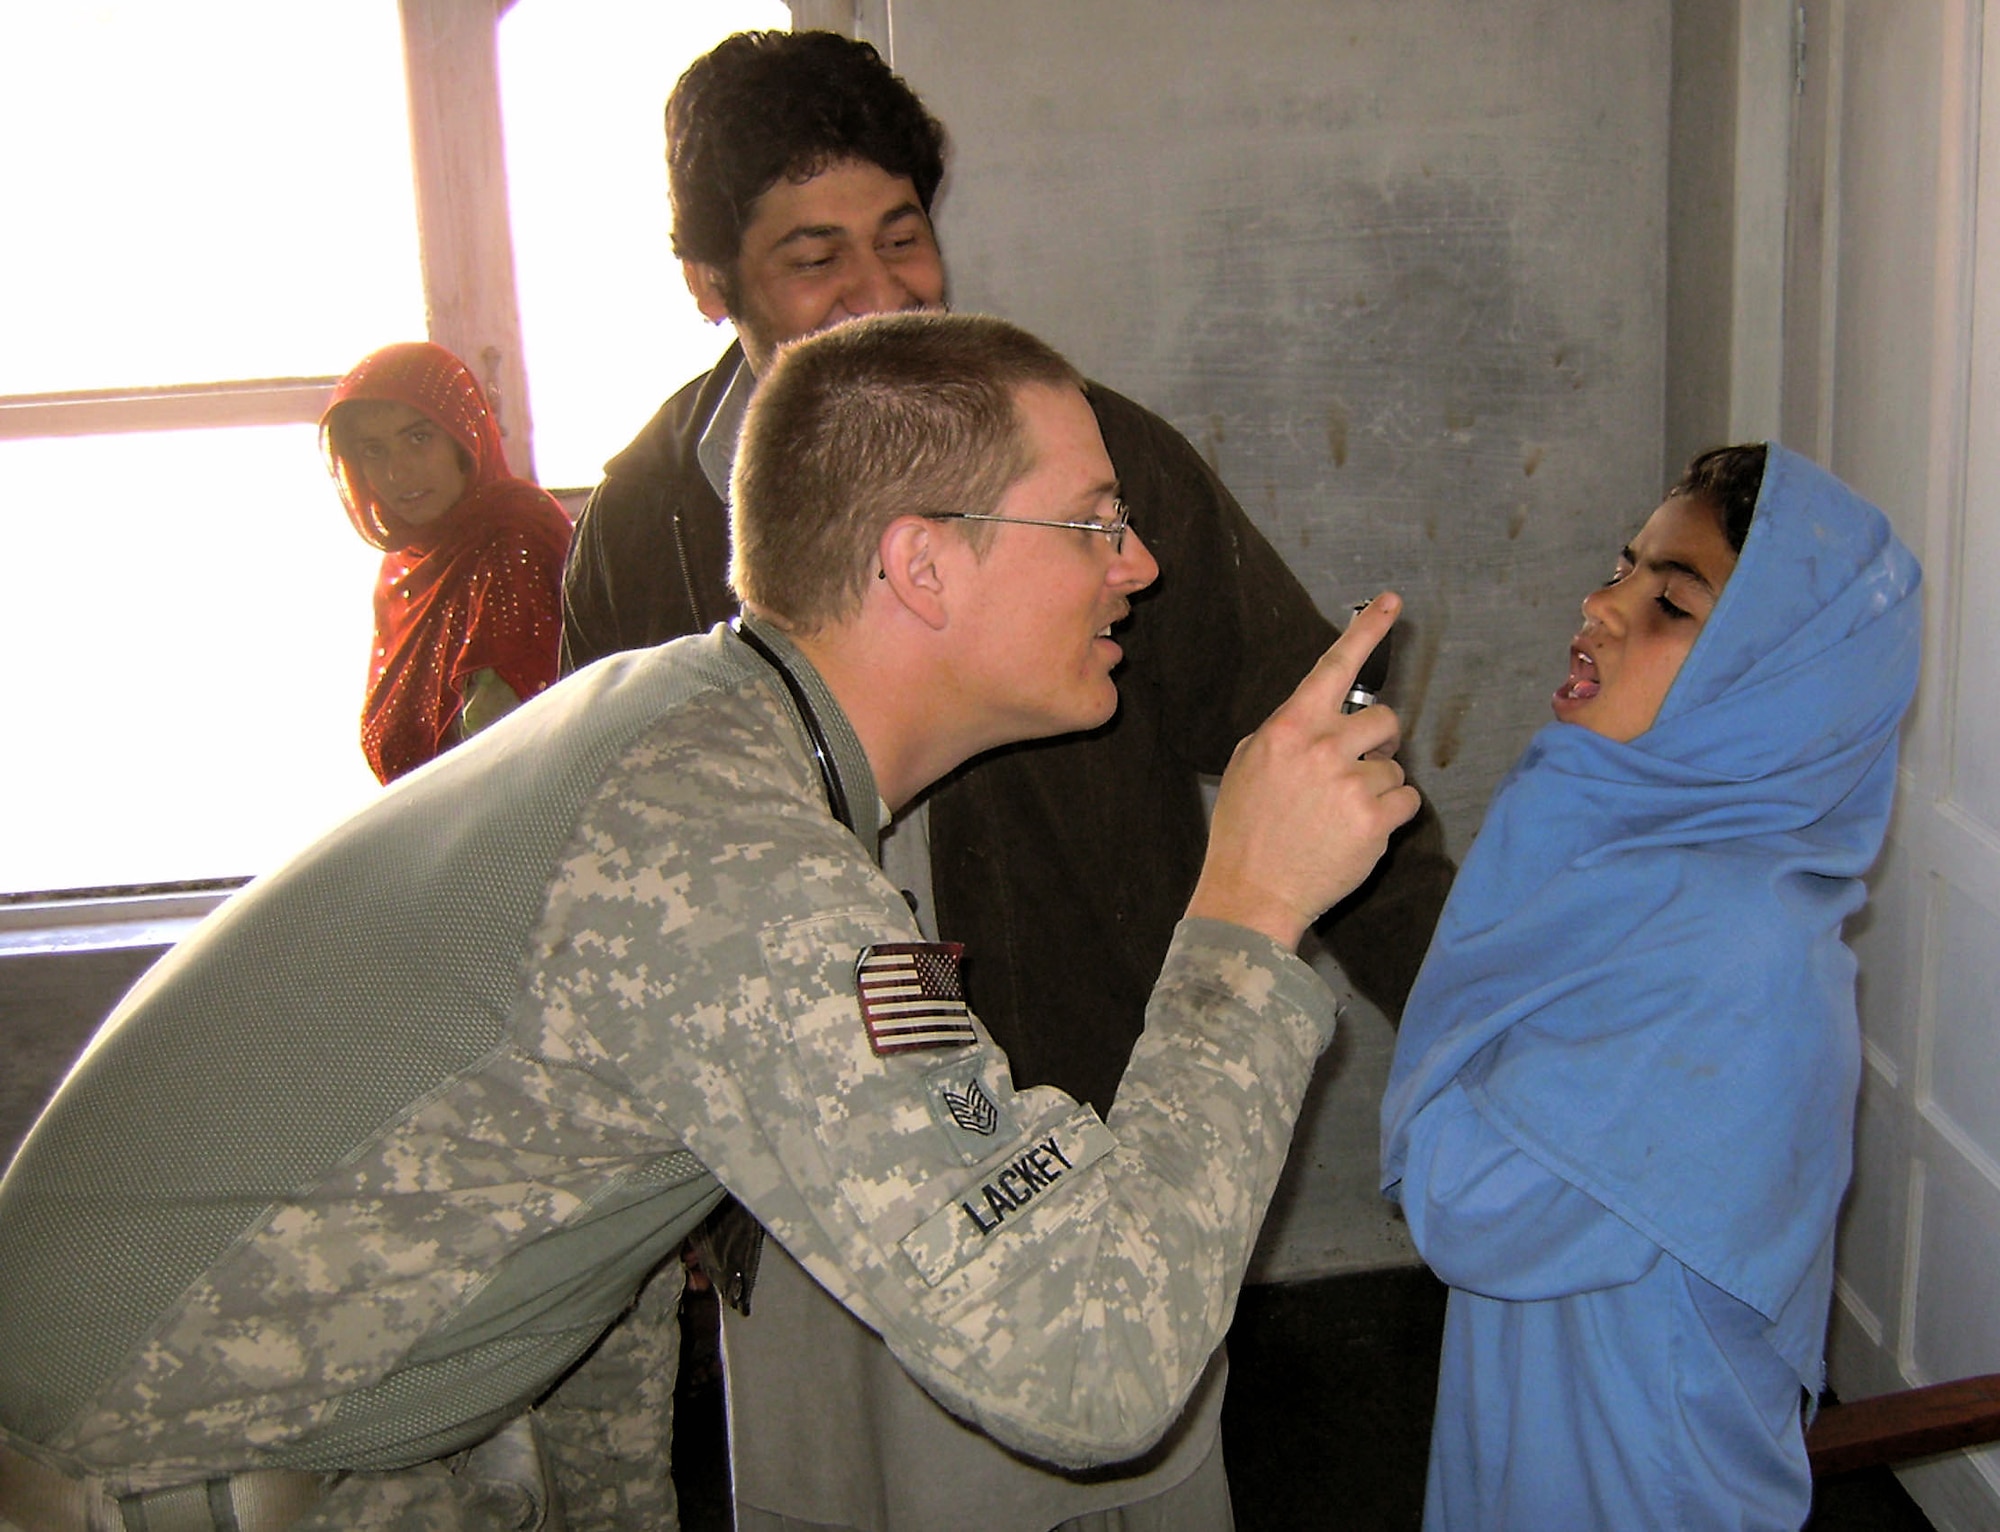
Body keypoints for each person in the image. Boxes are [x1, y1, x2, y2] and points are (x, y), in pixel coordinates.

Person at [0, 313, 1420, 1532]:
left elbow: (585, 1229)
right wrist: (1248, 915)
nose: (1141, 567)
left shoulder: (693, 726)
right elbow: (1100, 1368)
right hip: (151, 1480)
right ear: (923, 565)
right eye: (1095, 521)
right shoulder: (729, 862)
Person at [560, 30, 1456, 1529]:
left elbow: (1305, 731)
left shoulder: (1088, 463)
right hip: (805, 1180)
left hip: (1085, 1110)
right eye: (811, 256)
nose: (880, 293)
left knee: (1108, 1432)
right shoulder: (643, 537)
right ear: (711, 289)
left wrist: (1486, 1020)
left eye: (903, 235)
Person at [1380, 443, 1922, 1530]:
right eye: (1620, 565)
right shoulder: (1629, 856)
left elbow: (1465, 1205)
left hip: (1630, 1467)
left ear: (1772, 688)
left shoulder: (1731, 942)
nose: (1600, 602)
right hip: (1550, 1400)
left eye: (1668, 601)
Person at [324, 341, 571, 783]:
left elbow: (502, 752)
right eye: (373, 451)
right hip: (434, 826)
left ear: (463, 436)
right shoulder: (404, 568)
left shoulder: (515, 533)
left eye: (419, 438)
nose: (398, 472)